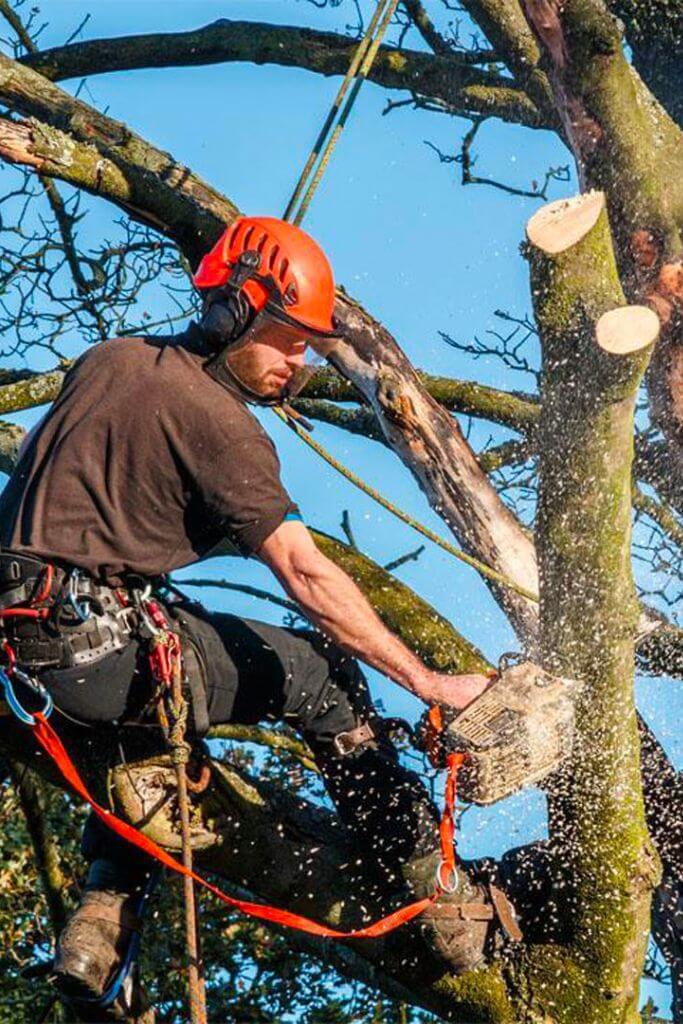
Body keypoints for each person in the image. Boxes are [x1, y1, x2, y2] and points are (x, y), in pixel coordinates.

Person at [0, 216, 510, 1017]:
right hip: (88, 652)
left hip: (28, 647)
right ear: (235, 311)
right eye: (288, 340)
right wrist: (428, 682)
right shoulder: (216, 422)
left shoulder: (111, 362)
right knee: (321, 673)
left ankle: (102, 921)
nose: (298, 362)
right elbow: (304, 571)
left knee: (165, 695)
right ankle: (428, 890)